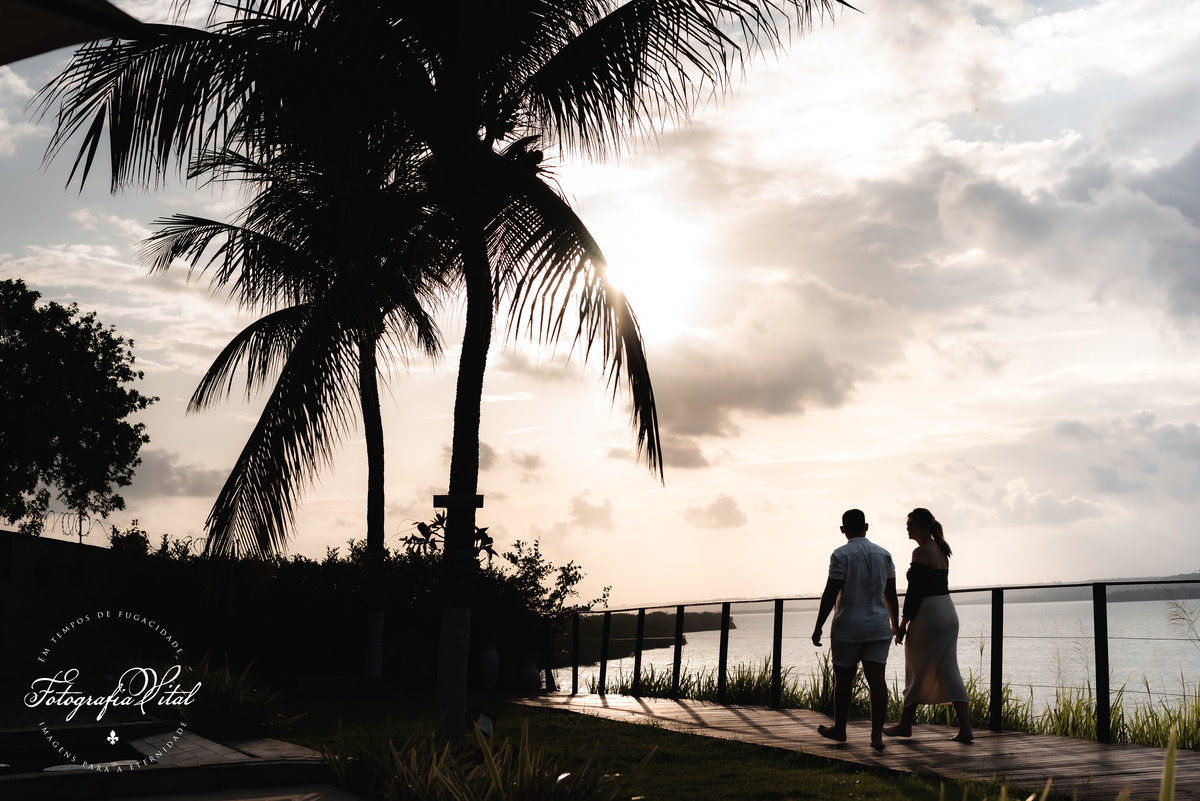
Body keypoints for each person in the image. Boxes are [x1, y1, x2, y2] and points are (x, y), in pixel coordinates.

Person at [812, 509, 900, 751]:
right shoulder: (884, 554)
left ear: (843, 530)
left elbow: (831, 593)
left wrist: (818, 626)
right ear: (866, 526)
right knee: (877, 680)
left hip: (848, 628)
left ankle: (840, 729)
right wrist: (895, 624)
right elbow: (891, 594)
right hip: (878, 627)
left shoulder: (840, 555)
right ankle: (876, 737)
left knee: (843, 680)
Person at [883, 507, 973, 743]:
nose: (908, 528)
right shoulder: (941, 550)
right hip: (948, 614)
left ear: (924, 526)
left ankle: (905, 725)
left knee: (916, 669)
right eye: (907, 524)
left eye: (912, 524)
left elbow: (915, 592)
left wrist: (903, 623)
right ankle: (965, 729)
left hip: (929, 616)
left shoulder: (921, 552)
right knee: (950, 671)